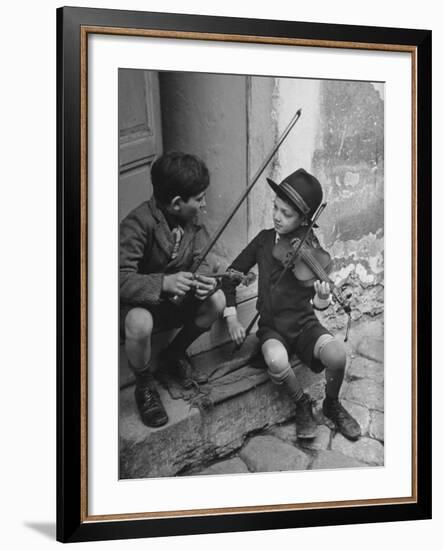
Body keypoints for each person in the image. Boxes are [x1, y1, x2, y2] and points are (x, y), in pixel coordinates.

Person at [222, 168, 361, 441]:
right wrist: (231, 316)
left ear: (303, 220)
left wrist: (322, 296)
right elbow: (230, 276)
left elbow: (318, 307)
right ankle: (301, 403)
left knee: (337, 356)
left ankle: (331, 404)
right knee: (275, 358)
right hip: (272, 327)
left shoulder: (311, 249)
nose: (276, 216)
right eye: (276, 208)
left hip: (304, 324)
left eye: (286, 214)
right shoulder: (263, 241)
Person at [120, 152, 226, 428]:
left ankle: (173, 354)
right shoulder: (137, 224)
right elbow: (118, 278)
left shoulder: (193, 221)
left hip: (173, 305)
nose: (204, 204)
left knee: (217, 300)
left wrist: (205, 280)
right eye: (200, 198)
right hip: (140, 305)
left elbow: (204, 258)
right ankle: (144, 384)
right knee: (139, 322)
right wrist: (163, 283)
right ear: (177, 203)